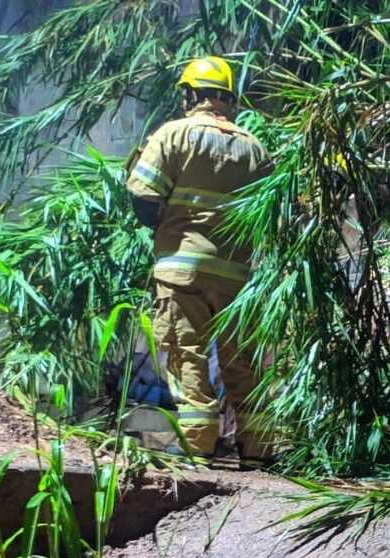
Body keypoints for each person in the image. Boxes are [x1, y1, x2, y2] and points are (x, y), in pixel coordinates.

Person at [126, 56, 272, 460]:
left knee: (186, 357)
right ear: (228, 98)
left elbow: (142, 196)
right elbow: (270, 214)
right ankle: (260, 448)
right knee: (243, 364)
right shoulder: (254, 147)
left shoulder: (173, 135)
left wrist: (164, 224)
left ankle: (198, 450)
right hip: (238, 278)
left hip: (181, 271)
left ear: (190, 94)